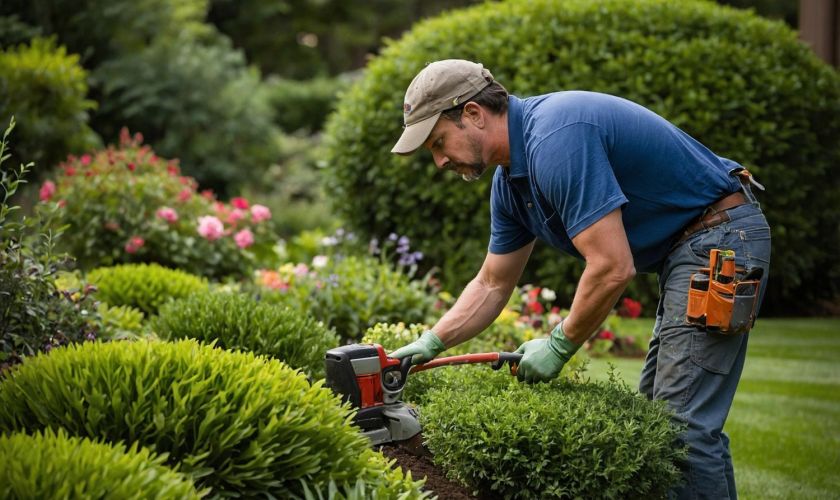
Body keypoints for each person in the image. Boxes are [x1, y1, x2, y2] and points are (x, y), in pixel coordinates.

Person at [388, 59, 771, 499]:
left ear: (473, 113)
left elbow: (611, 266)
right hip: (692, 246)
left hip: (720, 237)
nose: (438, 161)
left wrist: (558, 345)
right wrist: (431, 342)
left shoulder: (555, 138)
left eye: (439, 142)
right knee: (668, 420)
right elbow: (493, 283)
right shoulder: (511, 184)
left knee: (680, 427)